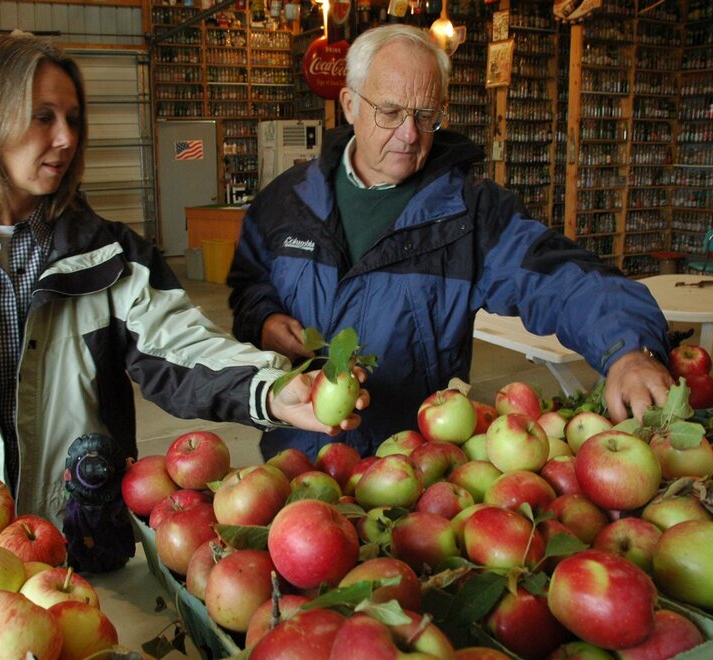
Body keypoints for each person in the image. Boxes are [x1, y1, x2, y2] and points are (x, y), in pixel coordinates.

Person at [0, 34, 366, 559]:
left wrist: (271, 389)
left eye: (73, 120)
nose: (66, 138)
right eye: (43, 117)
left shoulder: (110, 260)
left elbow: (181, 345)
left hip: (77, 545)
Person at [228, 24, 674, 460]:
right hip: (294, 461)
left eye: (426, 116)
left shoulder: (470, 214)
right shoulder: (287, 200)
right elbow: (250, 285)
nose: (409, 133)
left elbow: (562, 279)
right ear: (349, 104)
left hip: (411, 467)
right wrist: (264, 318)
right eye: (390, 111)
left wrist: (628, 350)